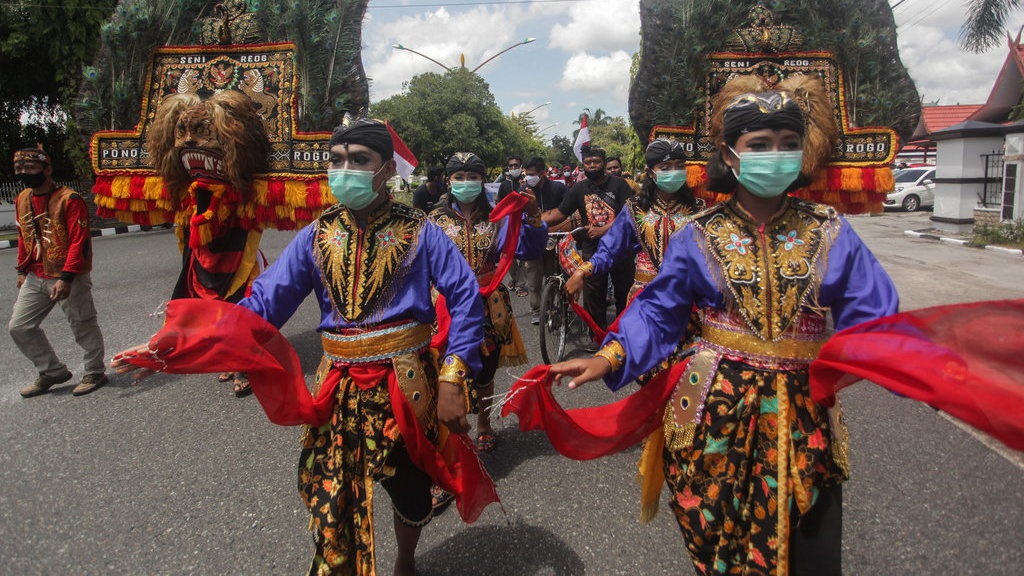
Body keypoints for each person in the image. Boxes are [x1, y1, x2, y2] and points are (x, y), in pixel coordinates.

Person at [114, 118, 495, 576]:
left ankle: (405, 562)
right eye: (336, 161)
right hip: (337, 389)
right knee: (329, 490)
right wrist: (173, 345)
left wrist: (454, 377)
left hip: (405, 383)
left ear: (387, 169)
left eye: (359, 160)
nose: (345, 170)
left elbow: (467, 300)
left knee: (409, 488)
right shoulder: (316, 235)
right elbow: (260, 306)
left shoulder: (421, 231)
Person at [549, 89, 899, 576]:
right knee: (722, 549)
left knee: (814, 553)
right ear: (731, 155)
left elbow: (876, 316)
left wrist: (910, 363)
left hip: (805, 414)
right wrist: (610, 355)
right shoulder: (700, 233)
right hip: (716, 408)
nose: (774, 154)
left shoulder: (830, 231)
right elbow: (659, 309)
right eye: (759, 144)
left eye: (787, 141)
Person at [146, 90, 270, 397]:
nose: (189, 142)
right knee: (207, 304)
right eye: (183, 133)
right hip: (200, 248)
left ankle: (242, 362)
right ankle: (226, 355)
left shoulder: (245, 188)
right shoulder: (187, 189)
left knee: (237, 300)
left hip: (236, 244)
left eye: (201, 133)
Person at [428, 152, 546, 454]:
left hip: (488, 303)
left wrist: (533, 217)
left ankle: (483, 423)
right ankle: (446, 430)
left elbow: (526, 248)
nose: (466, 183)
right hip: (446, 305)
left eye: (473, 177)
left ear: (483, 181)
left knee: (485, 368)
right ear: (448, 180)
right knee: (442, 368)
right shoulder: (432, 221)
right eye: (459, 177)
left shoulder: (497, 218)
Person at [9, 146, 108, 398]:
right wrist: (22, 269)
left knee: (82, 324)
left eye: (30, 168)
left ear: (47, 169)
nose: (24, 173)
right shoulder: (21, 199)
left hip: (68, 275)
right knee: (19, 326)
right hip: (35, 275)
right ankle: (52, 371)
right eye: (19, 169)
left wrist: (66, 277)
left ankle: (94, 371)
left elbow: (79, 241)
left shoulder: (69, 199)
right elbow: (24, 237)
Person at [565, 139, 701, 304]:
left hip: (687, 296)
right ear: (651, 172)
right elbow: (610, 248)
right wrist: (582, 271)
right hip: (646, 297)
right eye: (665, 168)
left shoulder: (699, 209)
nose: (674, 171)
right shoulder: (636, 209)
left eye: (679, 166)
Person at [542, 145, 634, 348]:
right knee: (594, 294)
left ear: (603, 162)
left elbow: (630, 214)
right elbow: (560, 213)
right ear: (583, 165)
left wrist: (605, 229)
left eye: (596, 162)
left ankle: (624, 335)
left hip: (620, 247)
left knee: (623, 291)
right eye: (588, 163)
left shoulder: (620, 185)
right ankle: (598, 336)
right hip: (592, 248)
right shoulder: (579, 189)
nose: (592, 166)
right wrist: (535, 221)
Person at [518, 156, 568, 324]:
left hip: (552, 240)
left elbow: (567, 212)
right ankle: (536, 309)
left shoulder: (558, 189)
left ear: (542, 173)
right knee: (533, 277)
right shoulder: (523, 191)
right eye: (526, 174)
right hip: (532, 243)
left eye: (531, 174)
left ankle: (555, 305)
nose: (527, 178)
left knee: (554, 275)